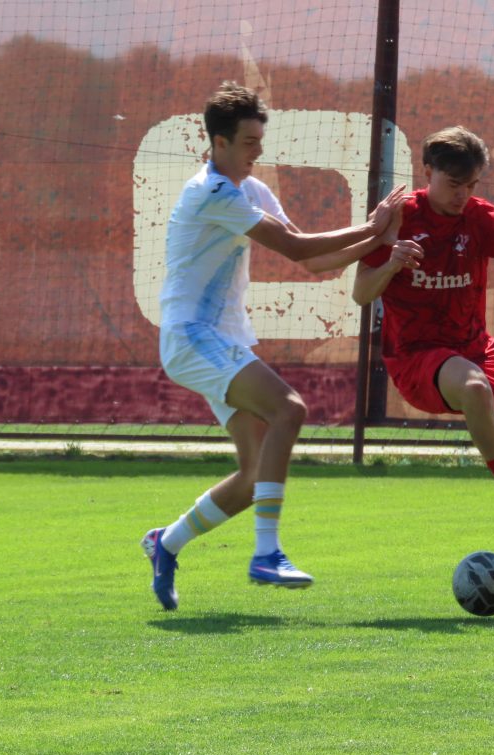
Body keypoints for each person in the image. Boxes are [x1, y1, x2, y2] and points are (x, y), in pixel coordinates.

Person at [141, 81, 406, 611]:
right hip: (192, 338)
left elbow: (312, 262)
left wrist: (379, 242)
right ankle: (266, 553)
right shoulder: (212, 191)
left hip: (222, 340)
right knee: (290, 408)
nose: (257, 151)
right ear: (218, 142)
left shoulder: (253, 190)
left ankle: (166, 543)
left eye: (260, 141)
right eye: (247, 142)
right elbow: (297, 247)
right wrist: (373, 228)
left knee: (253, 474)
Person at [352, 125, 494, 614]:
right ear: (427, 171)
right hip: (416, 359)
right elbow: (361, 292)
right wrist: (390, 262)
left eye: (471, 185)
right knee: (473, 387)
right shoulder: (397, 217)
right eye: (454, 184)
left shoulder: (480, 217)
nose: (462, 195)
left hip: (475, 353)